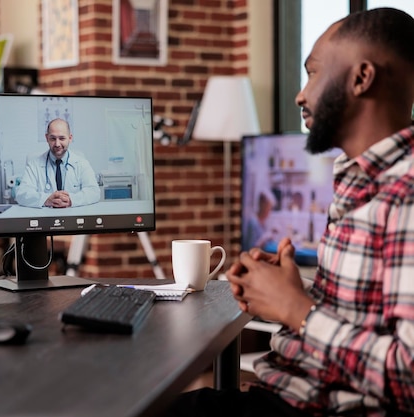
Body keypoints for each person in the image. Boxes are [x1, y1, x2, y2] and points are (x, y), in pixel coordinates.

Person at [165, 7, 414, 417]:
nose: (301, 94)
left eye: (313, 73)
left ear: (361, 77)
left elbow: (406, 376)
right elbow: (363, 317)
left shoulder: (404, 193)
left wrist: (294, 308)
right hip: (290, 391)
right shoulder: (357, 178)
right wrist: (285, 291)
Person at [15, 118, 100, 208]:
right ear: (47, 138)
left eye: (62, 138)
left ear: (70, 138)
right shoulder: (34, 164)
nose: (57, 144)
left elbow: (94, 192)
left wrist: (71, 200)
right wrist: (46, 199)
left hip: (74, 218)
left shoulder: (81, 163)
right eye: (53, 138)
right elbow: (22, 194)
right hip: (44, 218)